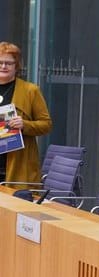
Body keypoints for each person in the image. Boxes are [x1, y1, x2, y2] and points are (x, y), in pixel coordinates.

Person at [0, 41, 52, 188]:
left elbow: (46, 124)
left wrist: (25, 125)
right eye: (0, 62)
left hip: (17, 166)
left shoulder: (30, 91)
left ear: (16, 66)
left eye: (9, 63)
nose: (3, 66)